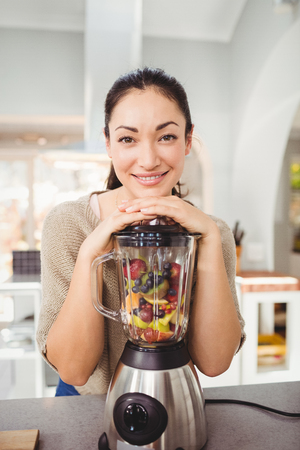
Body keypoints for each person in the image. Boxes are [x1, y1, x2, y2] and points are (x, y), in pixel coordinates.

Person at [36, 67, 245, 396]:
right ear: (108, 143)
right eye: (127, 139)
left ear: (188, 140)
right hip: (83, 408)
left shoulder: (211, 231)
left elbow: (216, 363)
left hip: (173, 396)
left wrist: (210, 242)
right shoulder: (69, 225)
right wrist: (91, 251)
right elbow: (74, 371)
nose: (148, 160)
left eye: (166, 136)